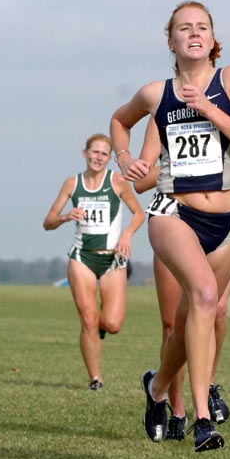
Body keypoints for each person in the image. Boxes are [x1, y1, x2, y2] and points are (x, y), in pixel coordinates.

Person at [111, 1, 230, 451]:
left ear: (212, 38)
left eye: (202, 26)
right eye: (185, 28)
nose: (195, 33)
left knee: (196, 317)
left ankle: (156, 389)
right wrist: (126, 159)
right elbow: (118, 121)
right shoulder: (155, 94)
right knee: (204, 295)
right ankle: (203, 418)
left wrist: (209, 109)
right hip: (173, 212)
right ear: (172, 42)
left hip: (227, 221)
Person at [132, 116, 230, 441]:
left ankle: (194, 387)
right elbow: (140, 183)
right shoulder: (163, 112)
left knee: (214, 312)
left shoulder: (226, 108)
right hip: (175, 219)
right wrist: (183, 169)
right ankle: (176, 408)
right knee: (174, 326)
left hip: (221, 224)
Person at [43, 133, 145, 390]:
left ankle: (100, 330)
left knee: (111, 324)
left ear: (109, 158)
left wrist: (126, 235)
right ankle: (95, 378)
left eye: (103, 154)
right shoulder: (71, 183)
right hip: (82, 258)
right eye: (94, 152)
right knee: (88, 320)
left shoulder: (117, 181)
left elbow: (138, 214)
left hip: (113, 259)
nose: (98, 157)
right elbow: (48, 222)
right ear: (85, 153)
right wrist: (67, 216)